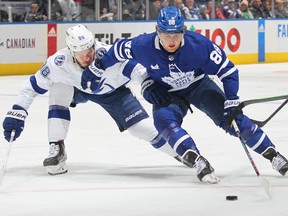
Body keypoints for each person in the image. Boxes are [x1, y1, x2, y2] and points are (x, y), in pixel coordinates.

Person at [81, 6, 288, 183]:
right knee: (163, 121)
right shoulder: (142, 45)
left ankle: (274, 156)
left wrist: (232, 98)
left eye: (176, 34)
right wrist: (97, 68)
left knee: (235, 120)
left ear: (184, 31)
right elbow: (116, 51)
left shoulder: (199, 45)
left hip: (199, 86)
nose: (171, 40)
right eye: (166, 35)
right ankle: (198, 160)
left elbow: (228, 70)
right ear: (157, 32)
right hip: (166, 92)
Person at [2, 24, 190, 176]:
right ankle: (56, 148)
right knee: (58, 86)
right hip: (77, 89)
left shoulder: (108, 55)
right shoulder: (58, 63)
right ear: (70, 51)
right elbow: (31, 86)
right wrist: (18, 112)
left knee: (141, 129)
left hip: (113, 92)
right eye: (80, 52)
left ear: (94, 44)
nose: (87, 56)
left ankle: (180, 152)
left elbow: (135, 69)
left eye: (89, 49)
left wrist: (148, 83)